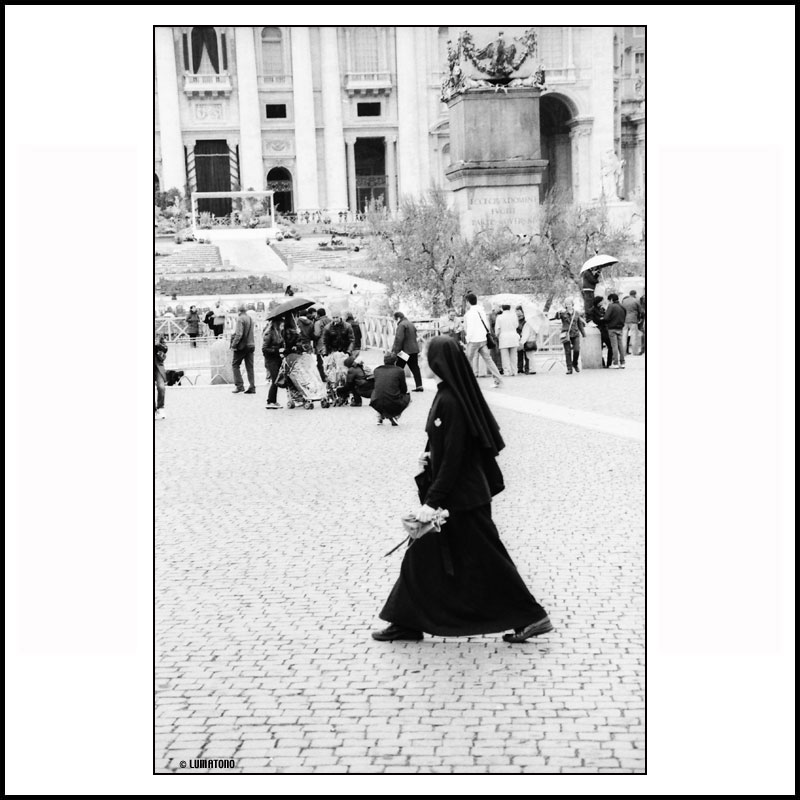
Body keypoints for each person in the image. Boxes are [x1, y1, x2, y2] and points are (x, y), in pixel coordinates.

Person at [372, 336, 554, 643]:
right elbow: (447, 447)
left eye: (427, 356)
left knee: (489, 560)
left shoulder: (451, 401)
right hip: (458, 496)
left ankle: (532, 616)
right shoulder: (447, 395)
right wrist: (429, 457)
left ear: (438, 362)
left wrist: (432, 502)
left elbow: (455, 458)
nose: (423, 361)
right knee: (421, 556)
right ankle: (406, 620)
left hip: (464, 500)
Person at [462, 293, 503, 388]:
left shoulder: (469, 314)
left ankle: (465, 381)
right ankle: (498, 380)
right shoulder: (482, 311)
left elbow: (470, 328)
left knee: (467, 361)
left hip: (473, 340)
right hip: (483, 339)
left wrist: (468, 339)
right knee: (489, 360)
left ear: (468, 302)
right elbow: (487, 325)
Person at [370, 353, 411, 425]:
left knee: (378, 392)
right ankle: (395, 415)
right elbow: (403, 388)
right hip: (392, 401)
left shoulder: (377, 370)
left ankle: (379, 416)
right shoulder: (399, 371)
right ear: (395, 361)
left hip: (376, 401)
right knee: (408, 398)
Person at [391, 311, 423, 392]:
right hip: (414, 350)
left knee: (398, 368)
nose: (395, 322)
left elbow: (399, 339)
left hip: (404, 351)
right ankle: (419, 385)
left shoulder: (401, 325)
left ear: (398, 318)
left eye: (395, 320)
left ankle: (396, 387)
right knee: (415, 367)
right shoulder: (411, 324)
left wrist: (395, 351)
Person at [553, 298, 586, 374]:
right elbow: (557, 317)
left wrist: (583, 333)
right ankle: (569, 368)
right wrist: (558, 312)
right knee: (567, 351)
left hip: (575, 333)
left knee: (577, 350)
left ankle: (575, 363)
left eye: (570, 304)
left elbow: (579, 323)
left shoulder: (576, 313)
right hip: (566, 333)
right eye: (567, 304)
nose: (568, 306)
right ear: (565, 305)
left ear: (572, 304)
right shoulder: (563, 313)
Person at [230, 304, 257, 393]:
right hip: (251, 345)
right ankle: (252, 386)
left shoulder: (240, 319)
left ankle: (239, 386)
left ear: (239, 311)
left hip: (242, 346)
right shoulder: (250, 318)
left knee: (235, 365)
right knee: (250, 367)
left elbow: (239, 334)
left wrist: (233, 345)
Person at [262, 317, 286, 409]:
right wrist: (277, 350)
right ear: (277, 323)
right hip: (271, 359)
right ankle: (270, 401)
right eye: (281, 324)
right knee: (275, 380)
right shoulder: (269, 333)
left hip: (277, 358)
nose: (282, 326)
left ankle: (273, 401)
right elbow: (264, 349)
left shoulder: (278, 332)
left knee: (277, 380)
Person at [494, 303, 519, 377]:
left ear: (502, 308)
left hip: (503, 337)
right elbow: (516, 325)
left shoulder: (499, 317)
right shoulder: (514, 316)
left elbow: (497, 329)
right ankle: (514, 371)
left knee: (505, 357)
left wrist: (497, 335)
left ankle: (507, 371)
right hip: (513, 336)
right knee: (513, 356)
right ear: (510, 307)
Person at [603, 293, 626, 369]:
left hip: (612, 328)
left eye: (609, 300)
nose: (609, 302)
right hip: (620, 327)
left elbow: (606, 317)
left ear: (611, 299)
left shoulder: (611, 306)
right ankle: (622, 362)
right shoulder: (622, 306)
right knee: (620, 346)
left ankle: (615, 363)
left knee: (614, 346)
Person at [515, 306, 537, 375]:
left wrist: (521, 342)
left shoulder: (527, 323)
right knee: (529, 356)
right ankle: (527, 368)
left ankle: (530, 369)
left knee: (528, 356)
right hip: (528, 340)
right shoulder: (531, 322)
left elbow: (526, 334)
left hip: (526, 340)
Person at [621, 290, 643, 355]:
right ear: (635, 294)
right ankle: (635, 352)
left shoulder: (624, 301)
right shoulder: (636, 300)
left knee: (624, 336)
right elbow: (640, 310)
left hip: (624, 320)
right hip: (633, 320)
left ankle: (623, 352)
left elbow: (622, 309)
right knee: (634, 336)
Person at [593, 296, 612, 368]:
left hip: (605, 329)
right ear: (598, 302)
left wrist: (603, 319)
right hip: (598, 330)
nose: (603, 302)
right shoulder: (593, 310)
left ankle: (609, 363)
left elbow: (606, 318)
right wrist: (602, 319)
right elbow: (595, 320)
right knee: (599, 347)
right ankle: (602, 362)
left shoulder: (602, 309)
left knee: (610, 346)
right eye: (601, 301)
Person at [312, 307, 330, 382]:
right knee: (330, 361)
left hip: (321, 345)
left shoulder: (318, 323)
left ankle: (323, 377)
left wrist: (312, 337)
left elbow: (317, 334)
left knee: (320, 362)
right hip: (331, 344)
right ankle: (331, 376)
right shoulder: (331, 321)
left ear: (318, 314)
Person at [154, 335, 168, 420]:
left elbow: (165, 348)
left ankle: (160, 408)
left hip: (158, 366)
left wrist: (157, 345)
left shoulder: (158, 335)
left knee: (161, 387)